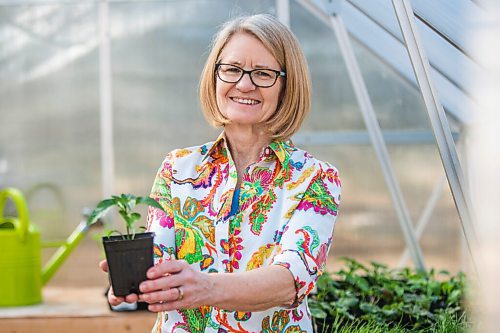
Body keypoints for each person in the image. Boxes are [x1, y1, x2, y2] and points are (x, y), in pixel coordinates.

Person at [101, 13, 341, 332]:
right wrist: (136, 280)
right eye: (232, 69)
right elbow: (160, 254)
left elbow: (290, 278)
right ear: (215, 75)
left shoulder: (314, 178)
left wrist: (207, 287)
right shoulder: (177, 168)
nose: (244, 84)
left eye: (263, 73)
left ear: (287, 85)